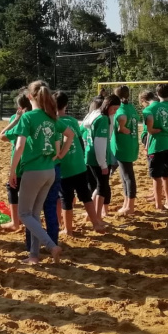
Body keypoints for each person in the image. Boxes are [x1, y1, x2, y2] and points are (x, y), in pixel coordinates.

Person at [8, 80, 69, 264]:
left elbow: (19, 146)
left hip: (33, 171)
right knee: (34, 215)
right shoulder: (51, 116)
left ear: (29, 96)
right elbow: (70, 134)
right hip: (49, 171)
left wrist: (12, 170)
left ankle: (51, 246)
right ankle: (33, 256)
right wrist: (60, 154)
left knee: (24, 214)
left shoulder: (28, 117)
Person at [55, 91, 105, 235]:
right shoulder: (72, 121)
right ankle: (96, 224)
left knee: (66, 200)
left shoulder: (53, 123)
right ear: (67, 105)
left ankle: (68, 229)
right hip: (79, 165)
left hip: (64, 168)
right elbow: (80, 141)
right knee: (85, 196)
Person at [82, 95, 119, 220]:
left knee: (98, 186)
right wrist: (103, 164)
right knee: (102, 187)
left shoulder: (94, 114)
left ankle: (91, 214)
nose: (114, 112)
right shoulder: (103, 119)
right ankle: (97, 216)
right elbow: (100, 143)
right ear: (107, 105)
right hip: (99, 158)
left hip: (90, 155)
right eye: (114, 109)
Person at [0, 93, 32, 231]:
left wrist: (15, 120)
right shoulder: (37, 116)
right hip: (34, 162)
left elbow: (3, 136)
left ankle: (15, 221)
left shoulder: (18, 118)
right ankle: (27, 217)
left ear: (19, 107)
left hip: (19, 160)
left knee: (12, 188)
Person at [110, 85, 140, 216]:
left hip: (123, 146)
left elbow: (122, 117)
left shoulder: (120, 108)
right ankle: (126, 203)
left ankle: (130, 206)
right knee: (124, 176)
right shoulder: (131, 107)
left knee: (128, 177)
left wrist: (121, 127)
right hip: (131, 144)